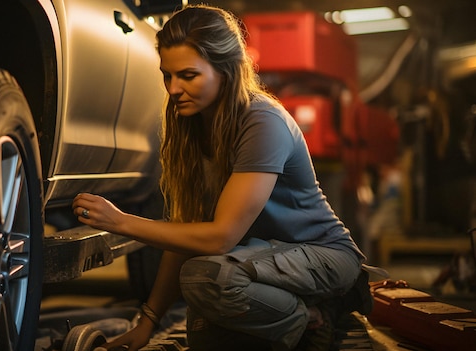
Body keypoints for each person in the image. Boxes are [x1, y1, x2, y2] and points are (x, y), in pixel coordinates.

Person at [72, 5, 371, 351]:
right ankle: (293, 319)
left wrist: (121, 222)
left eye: (188, 75)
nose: (173, 89)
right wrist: (147, 323)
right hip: (260, 261)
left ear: (225, 71)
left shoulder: (262, 122)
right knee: (203, 332)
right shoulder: (193, 126)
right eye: (167, 75)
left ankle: (314, 316)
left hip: (322, 256)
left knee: (205, 277)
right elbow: (185, 232)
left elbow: (219, 238)